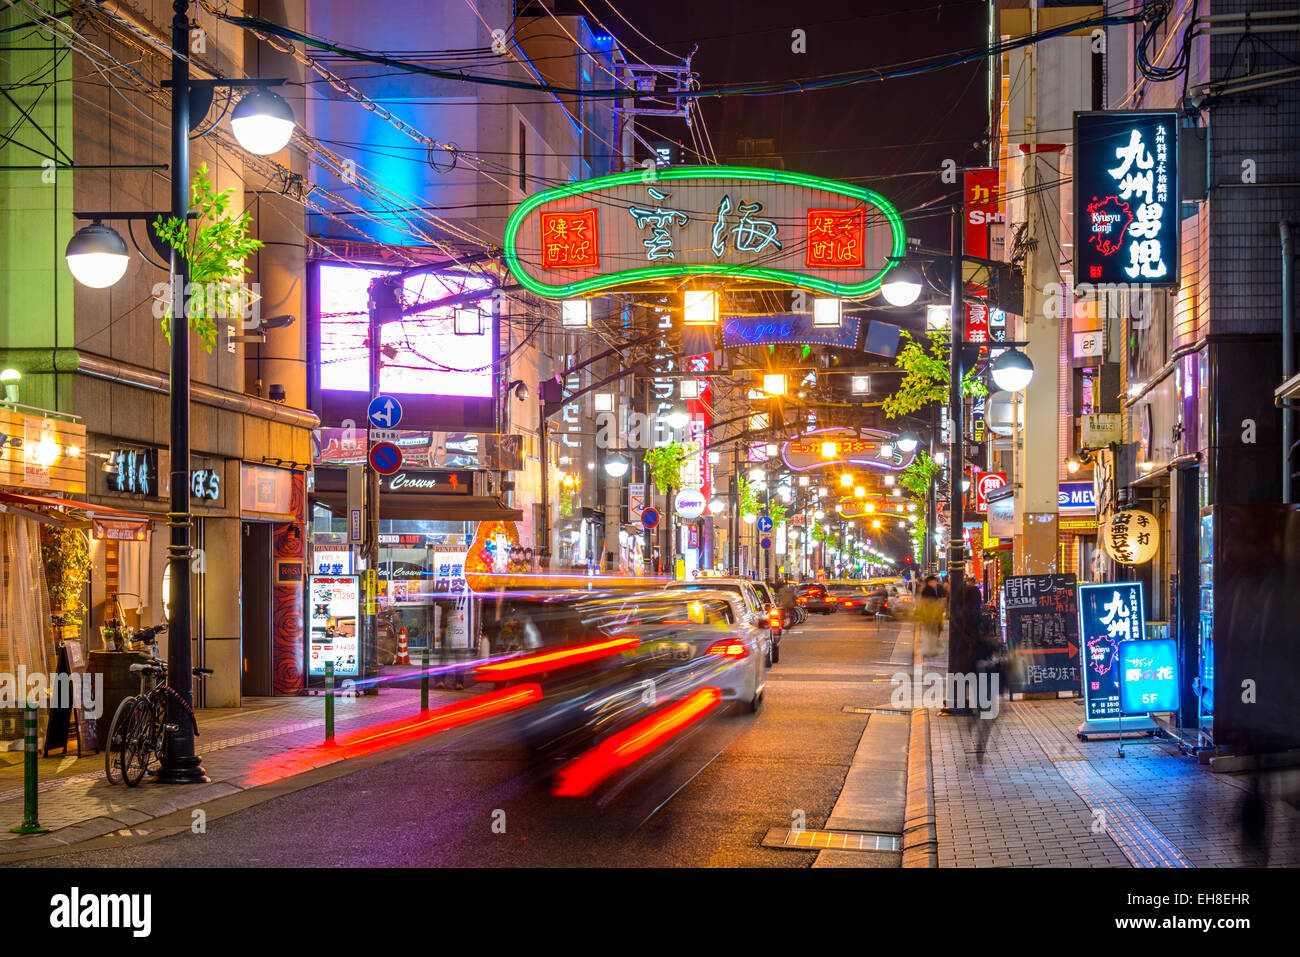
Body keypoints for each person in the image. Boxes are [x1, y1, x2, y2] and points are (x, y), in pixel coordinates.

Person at [918, 575, 943, 658]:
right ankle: (930, 651)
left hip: (929, 616)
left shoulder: (927, 589)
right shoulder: (928, 590)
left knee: (929, 633)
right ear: (930, 582)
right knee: (931, 634)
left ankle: (930, 650)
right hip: (930, 615)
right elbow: (929, 603)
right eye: (934, 581)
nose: (935, 583)